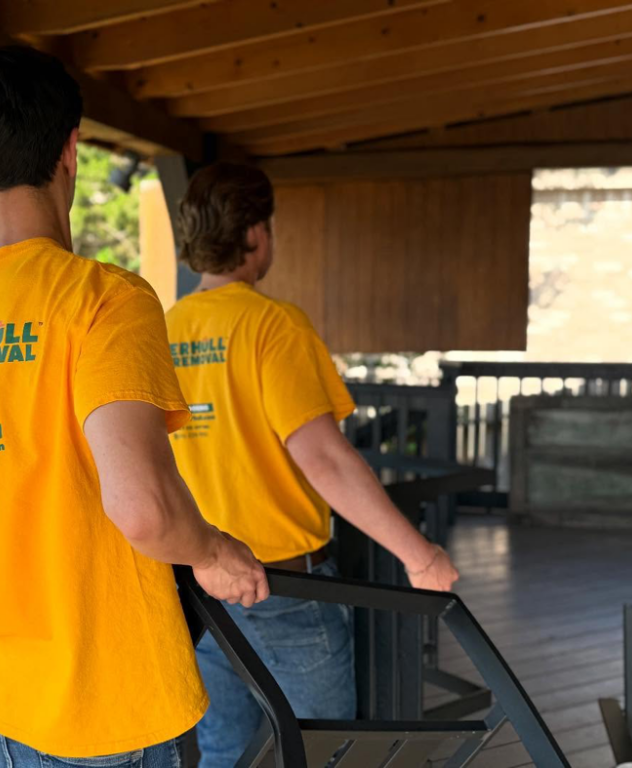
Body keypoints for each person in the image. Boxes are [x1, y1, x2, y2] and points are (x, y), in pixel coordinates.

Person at [0, 48, 269, 768]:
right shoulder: (104, 300)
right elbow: (145, 511)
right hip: (104, 710)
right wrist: (217, 551)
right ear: (72, 149)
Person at [166, 162, 459, 768]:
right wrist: (420, 555)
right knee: (332, 754)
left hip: (201, 584)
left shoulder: (160, 333)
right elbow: (324, 457)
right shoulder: (273, 326)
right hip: (284, 585)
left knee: (226, 752)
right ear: (255, 234)